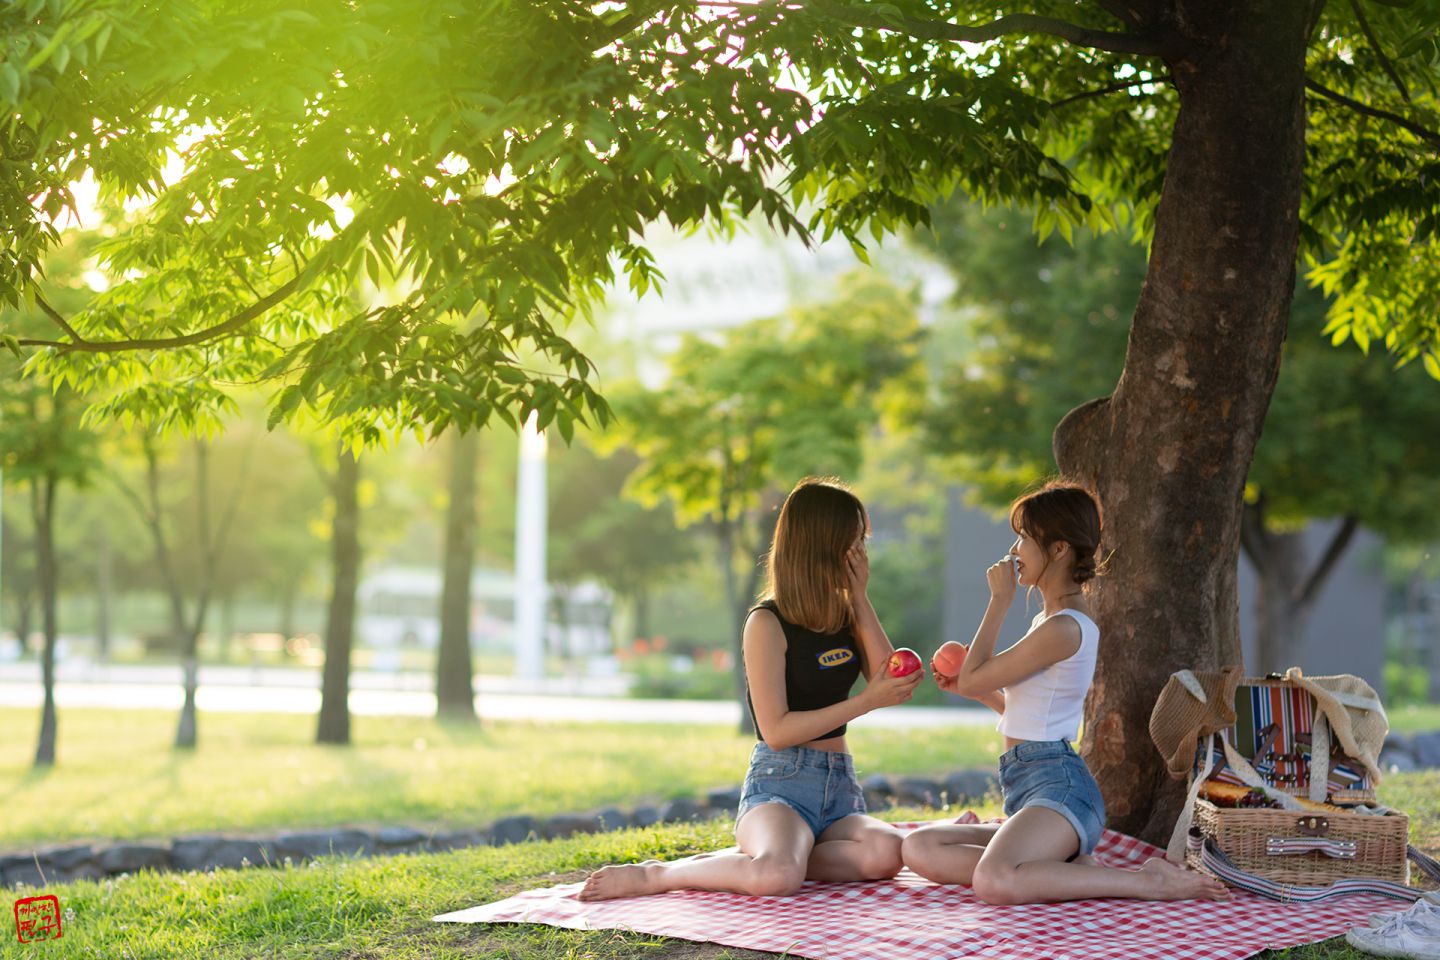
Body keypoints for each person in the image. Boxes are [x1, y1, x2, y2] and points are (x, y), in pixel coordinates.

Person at [579, 477, 921, 901]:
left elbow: (887, 679)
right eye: (854, 541)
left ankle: (783, 854)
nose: (862, 553)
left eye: (862, 542)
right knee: (776, 877)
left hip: (840, 789)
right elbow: (776, 731)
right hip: (780, 786)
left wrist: (861, 598)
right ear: (823, 544)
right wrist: (865, 703)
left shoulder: (848, 612)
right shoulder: (766, 622)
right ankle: (660, 875)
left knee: (886, 854)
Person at [900, 481, 1229, 904]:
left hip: (1061, 790)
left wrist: (998, 602)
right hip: (1030, 785)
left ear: (1057, 549)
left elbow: (972, 676)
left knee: (994, 881)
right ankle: (1065, 872)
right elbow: (1027, 713)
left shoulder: (1064, 626)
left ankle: (1148, 882)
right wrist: (979, 693)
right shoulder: (1049, 621)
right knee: (919, 848)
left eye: (1023, 538)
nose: (1015, 550)